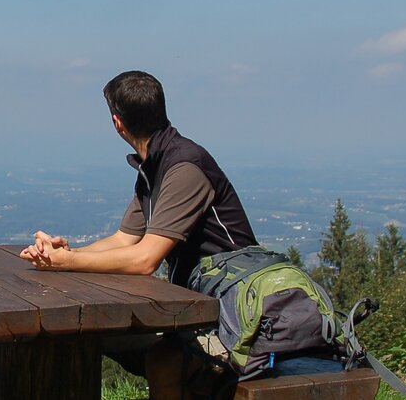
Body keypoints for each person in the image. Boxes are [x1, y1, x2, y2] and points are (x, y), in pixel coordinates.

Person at [19, 70, 259, 399]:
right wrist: (64, 254)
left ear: (118, 123)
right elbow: (123, 240)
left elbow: (145, 259)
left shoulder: (184, 167)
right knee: (104, 338)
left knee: (164, 360)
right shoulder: (155, 167)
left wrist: (67, 262)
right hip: (205, 305)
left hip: (235, 311)